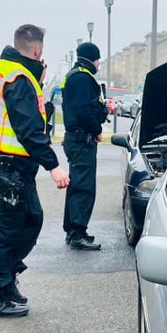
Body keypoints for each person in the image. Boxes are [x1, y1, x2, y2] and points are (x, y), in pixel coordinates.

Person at [0, 24, 69, 317]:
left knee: (30, 220)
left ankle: (5, 280)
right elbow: (29, 129)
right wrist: (53, 165)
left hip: (8, 165)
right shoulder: (18, 79)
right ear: (37, 51)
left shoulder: (0, 71)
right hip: (8, 167)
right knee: (3, 232)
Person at [61, 41, 107, 250]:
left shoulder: (74, 75)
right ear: (92, 58)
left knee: (76, 184)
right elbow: (83, 110)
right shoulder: (82, 78)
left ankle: (73, 230)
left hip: (76, 138)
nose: (99, 64)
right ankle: (77, 232)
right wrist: (97, 129)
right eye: (98, 59)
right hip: (82, 139)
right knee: (83, 187)